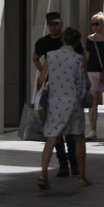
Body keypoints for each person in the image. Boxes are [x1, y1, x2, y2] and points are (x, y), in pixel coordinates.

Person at [36, 27, 91, 189]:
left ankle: (43, 174)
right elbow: (86, 84)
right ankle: (82, 176)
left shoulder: (51, 56)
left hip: (55, 102)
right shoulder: (79, 59)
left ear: (63, 39)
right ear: (77, 42)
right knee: (78, 137)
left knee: (51, 137)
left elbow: (41, 81)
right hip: (73, 102)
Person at [33, 12, 76, 177]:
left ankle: (73, 162)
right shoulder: (43, 42)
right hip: (53, 89)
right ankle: (63, 164)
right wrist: (44, 73)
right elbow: (35, 58)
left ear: (61, 23)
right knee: (56, 129)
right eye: (51, 24)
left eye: (56, 24)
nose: (54, 27)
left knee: (69, 128)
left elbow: (81, 60)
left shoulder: (68, 40)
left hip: (69, 88)